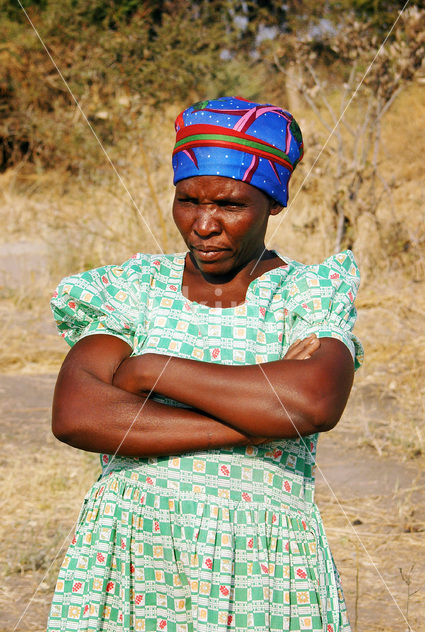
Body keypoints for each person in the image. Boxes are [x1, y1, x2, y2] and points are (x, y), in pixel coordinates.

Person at [47, 96, 363, 632]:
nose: (203, 224)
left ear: (274, 204)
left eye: (230, 205)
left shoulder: (306, 292)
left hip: (265, 565)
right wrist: (257, 423)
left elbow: (312, 401)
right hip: (129, 553)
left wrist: (152, 370)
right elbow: (78, 414)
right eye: (188, 200)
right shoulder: (132, 287)